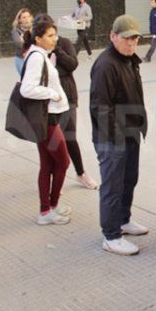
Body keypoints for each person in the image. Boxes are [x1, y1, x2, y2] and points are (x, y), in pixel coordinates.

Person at [90, 15, 149, 255]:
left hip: (130, 133)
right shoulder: (105, 65)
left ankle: (123, 220)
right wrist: (115, 139)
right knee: (113, 186)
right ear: (113, 36)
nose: (131, 43)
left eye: (135, 38)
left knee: (129, 180)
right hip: (113, 139)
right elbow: (100, 107)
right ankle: (111, 235)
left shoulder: (130, 60)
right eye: (126, 38)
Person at [20, 15, 73, 224]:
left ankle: (48, 208)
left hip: (47, 117)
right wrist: (53, 94)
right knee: (63, 162)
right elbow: (27, 89)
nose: (55, 39)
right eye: (50, 36)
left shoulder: (40, 54)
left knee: (48, 164)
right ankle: (49, 207)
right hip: (46, 119)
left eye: (55, 35)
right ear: (38, 38)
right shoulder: (36, 57)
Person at [50, 29, 99, 190]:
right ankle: (56, 178)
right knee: (52, 140)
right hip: (48, 100)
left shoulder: (63, 43)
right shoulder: (38, 49)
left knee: (70, 136)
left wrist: (57, 50)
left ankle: (81, 173)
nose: (51, 38)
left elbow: (72, 64)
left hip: (67, 96)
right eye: (47, 35)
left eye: (53, 34)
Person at [12, 8, 34, 76]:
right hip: (21, 59)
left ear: (31, 17)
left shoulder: (35, 29)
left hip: (34, 58)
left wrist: (24, 40)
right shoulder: (16, 31)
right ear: (19, 20)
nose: (27, 19)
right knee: (26, 78)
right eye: (24, 17)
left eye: (28, 17)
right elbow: (19, 44)